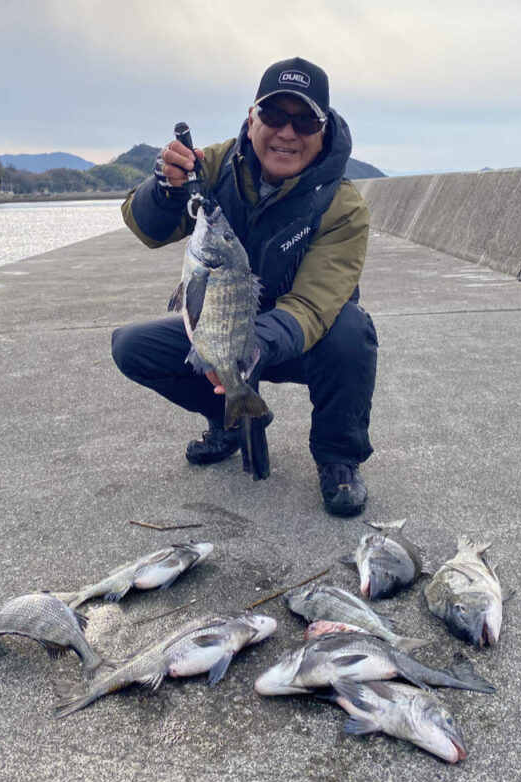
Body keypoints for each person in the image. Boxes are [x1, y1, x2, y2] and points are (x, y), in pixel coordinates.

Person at [112, 57, 378, 517]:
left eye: (304, 120)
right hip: (220, 327)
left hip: (295, 343)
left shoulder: (342, 206)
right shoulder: (213, 167)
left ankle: (338, 458)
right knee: (130, 346)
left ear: (324, 127)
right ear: (253, 117)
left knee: (352, 332)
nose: (287, 132)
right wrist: (164, 190)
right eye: (275, 115)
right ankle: (228, 417)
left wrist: (250, 348)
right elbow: (147, 228)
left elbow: (313, 307)